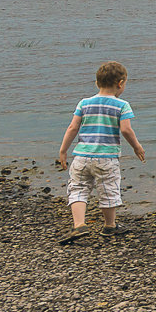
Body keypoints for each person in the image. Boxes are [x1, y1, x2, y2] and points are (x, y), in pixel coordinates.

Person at [57, 61, 146, 244]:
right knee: (108, 190)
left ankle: (79, 225)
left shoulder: (84, 103)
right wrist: (136, 146)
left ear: (97, 83)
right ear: (120, 83)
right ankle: (109, 226)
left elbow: (73, 127)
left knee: (78, 188)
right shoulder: (122, 105)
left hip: (81, 156)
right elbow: (126, 130)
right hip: (106, 158)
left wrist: (63, 150)